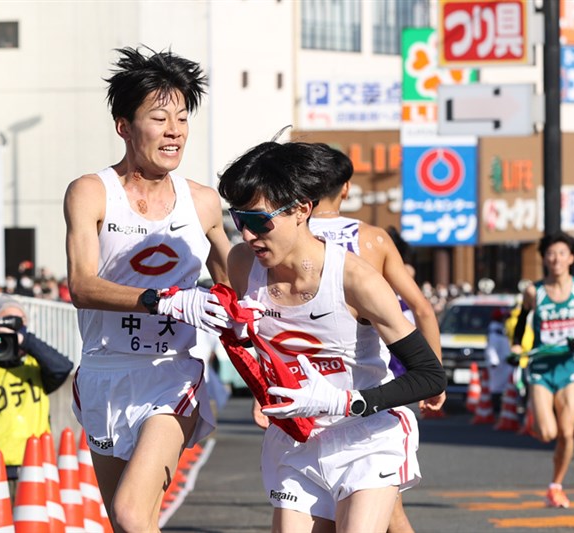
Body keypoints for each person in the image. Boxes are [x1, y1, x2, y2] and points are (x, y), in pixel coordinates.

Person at [218, 140, 445, 532]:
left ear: (301, 209)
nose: (248, 235)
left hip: (365, 435)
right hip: (297, 438)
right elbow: (250, 339)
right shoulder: (241, 264)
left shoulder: (354, 278)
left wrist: (345, 402)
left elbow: (430, 375)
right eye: (239, 220)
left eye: (258, 220)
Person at [63, 46, 237, 532]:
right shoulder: (91, 192)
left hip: (170, 376)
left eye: (182, 118)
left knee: (129, 512)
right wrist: (164, 299)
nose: (175, 130)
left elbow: (234, 286)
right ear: (124, 125)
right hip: (104, 372)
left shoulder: (201, 203)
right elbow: (81, 285)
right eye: (159, 118)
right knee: (129, 523)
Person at [305, 144, 443, 533]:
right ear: (345, 188)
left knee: (372, 511)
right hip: (376, 387)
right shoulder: (372, 239)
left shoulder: (289, 238)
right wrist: (434, 374)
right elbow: (422, 307)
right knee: (381, 512)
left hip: (311, 390)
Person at [510, 231, 574, 509]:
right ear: (544, 258)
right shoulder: (534, 291)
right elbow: (520, 324)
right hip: (541, 367)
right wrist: (518, 346)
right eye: (551, 254)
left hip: (570, 368)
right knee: (548, 433)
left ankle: (556, 486)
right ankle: (536, 415)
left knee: (567, 433)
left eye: (561, 253)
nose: (556, 259)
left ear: (571, 258)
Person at [0, 296, 73, 529]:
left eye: (15, 323)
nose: (5, 333)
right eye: (0, 323)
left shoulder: (33, 364)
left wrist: (24, 339)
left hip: (35, 468)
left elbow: (63, 367)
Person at [485, 307, 513, 413]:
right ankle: (495, 408)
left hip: (504, 364)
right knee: (496, 386)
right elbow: (491, 349)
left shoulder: (501, 331)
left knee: (504, 386)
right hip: (498, 366)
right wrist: (493, 361)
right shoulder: (494, 333)